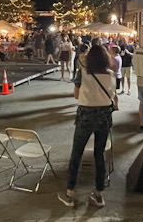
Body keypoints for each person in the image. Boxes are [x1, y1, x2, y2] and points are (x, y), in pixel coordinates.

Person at [58, 44, 115, 208]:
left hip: (86, 116)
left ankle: (70, 192)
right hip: (104, 116)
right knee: (99, 154)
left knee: (77, 153)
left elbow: (76, 95)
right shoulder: (110, 74)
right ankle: (98, 194)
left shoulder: (82, 73)